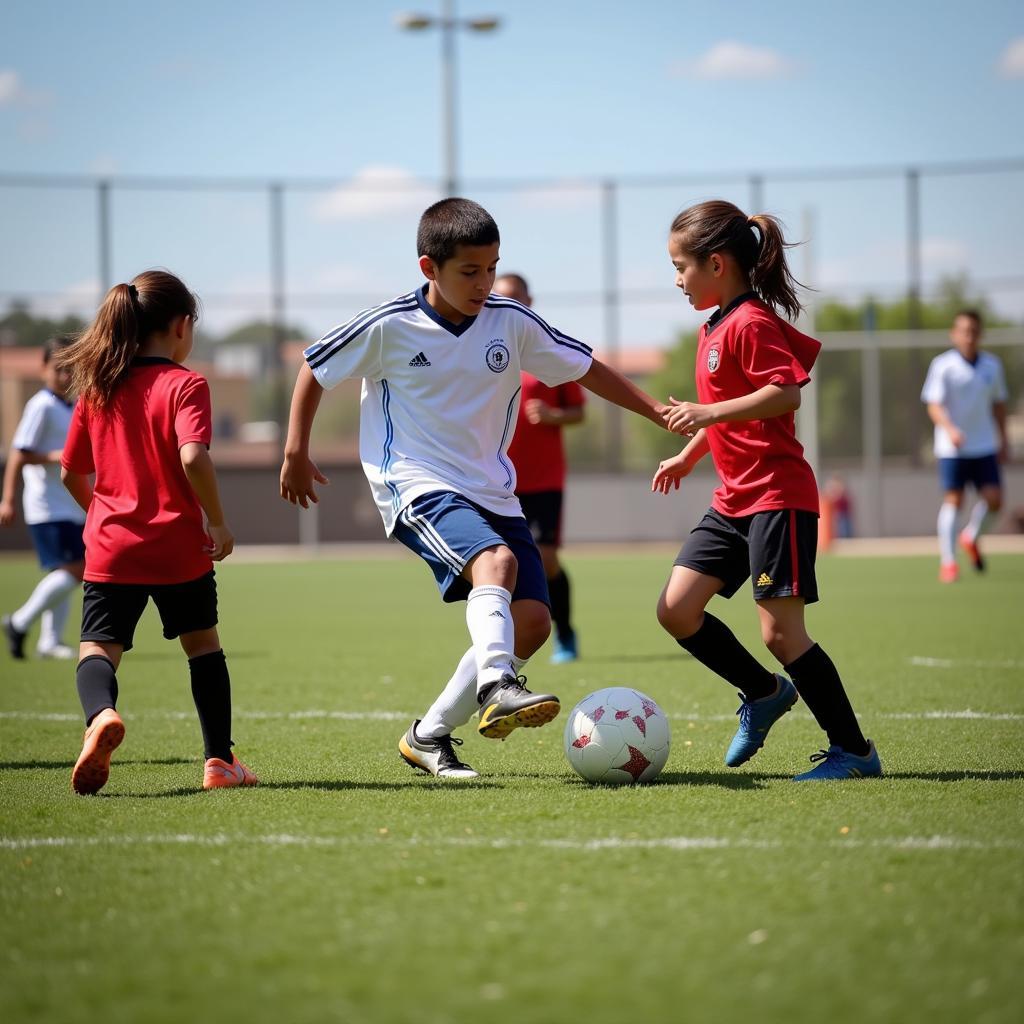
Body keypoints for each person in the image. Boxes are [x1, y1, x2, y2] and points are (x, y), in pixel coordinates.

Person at [280, 198, 669, 779]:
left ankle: (428, 735)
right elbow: (315, 367)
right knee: (496, 561)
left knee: (533, 621)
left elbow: (584, 366)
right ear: (428, 268)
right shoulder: (389, 325)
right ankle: (497, 685)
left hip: (491, 488)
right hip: (411, 482)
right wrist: (294, 449)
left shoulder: (509, 321)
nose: (483, 283)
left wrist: (659, 413)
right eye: (469, 271)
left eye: (491, 269)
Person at [651, 199, 881, 781]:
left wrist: (705, 413)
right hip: (733, 499)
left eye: (682, 266)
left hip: (777, 496)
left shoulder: (750, 322)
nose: (677, 279)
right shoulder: (714, 325)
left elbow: (785, 393)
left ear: (718, 263)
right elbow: (730, 415)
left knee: (781, 632)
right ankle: (763, 692)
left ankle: (854, 752)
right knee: (676, 610)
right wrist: (688, 453)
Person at [58, 270, 257, 795]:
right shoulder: (185, 383)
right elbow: (192, 454)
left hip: (111, 547)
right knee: (203, 649)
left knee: (97, 650)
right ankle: (219, 762)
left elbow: (70, 472)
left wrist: (103, 515)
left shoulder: (97, 388)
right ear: (181, 325)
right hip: (177, 546)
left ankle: (100, 715)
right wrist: (216, 520)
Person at [498, 273, 586, 664]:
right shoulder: (482, 349)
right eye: (500, 298)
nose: (507, 304)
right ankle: (504, 642)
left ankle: (564, 634)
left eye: (515, 297)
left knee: (546, 559)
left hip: (544, 478)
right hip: (496, 480)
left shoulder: (546, 351)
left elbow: (579, 411)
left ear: (530, 300)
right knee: (502, 562)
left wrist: (552, 415)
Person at [1, 336, 85, 660]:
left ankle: (49, 640)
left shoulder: (74, 406)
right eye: (58, 369)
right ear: (43, 369)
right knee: (78, 568)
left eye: (70, 370)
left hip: (71, 502)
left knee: (62, 572)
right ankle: (19, 622)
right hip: (46, 505)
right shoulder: (41, 405)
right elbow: (19, 454)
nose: (65, 376)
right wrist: (7, 498)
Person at [921, 310, 1009, 583]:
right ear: (954, 334)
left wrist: (1003, 439)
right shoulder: (943, 365)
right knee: (954, 500)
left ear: (980, 334)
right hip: (952, 447)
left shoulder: (992, 366)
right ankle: (948, 562)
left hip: (984, 445)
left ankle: (971, 537)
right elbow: (933, 405)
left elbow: (998, 405)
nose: (969, 336)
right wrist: (950, 429)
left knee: (995, 500)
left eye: (973, 331)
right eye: (964, 331)